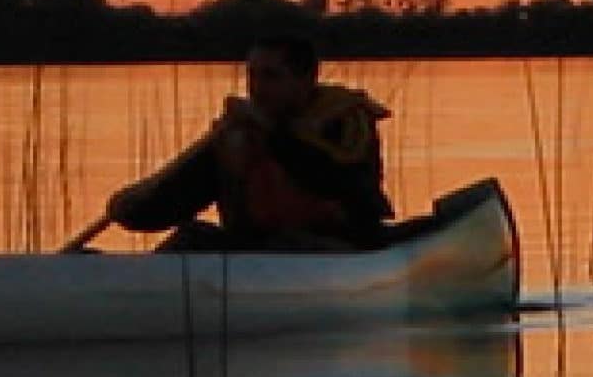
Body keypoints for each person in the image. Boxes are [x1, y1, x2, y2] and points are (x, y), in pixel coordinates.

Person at [104, 34, 394, 252]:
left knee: (291, 244)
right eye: (252, 76)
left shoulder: (345, 123)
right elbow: (182, 193)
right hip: (258, 252)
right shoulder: (239, 135)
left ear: (307, 79)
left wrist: (271, 135)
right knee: (191, 236)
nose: (257, 88)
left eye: (271, 76)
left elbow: (339, 182)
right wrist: (132, 210)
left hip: (335, 245)